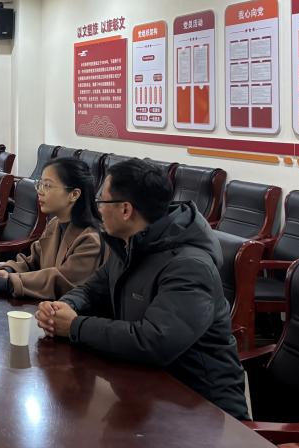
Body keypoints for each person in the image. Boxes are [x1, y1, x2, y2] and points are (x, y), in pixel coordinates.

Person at [35, 159, 248, 420]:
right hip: (147, 390)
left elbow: (154, 341)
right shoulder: (128, 244)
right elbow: (92, 289)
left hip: (204, 409)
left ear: (125, 209)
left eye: (102, 201)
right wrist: (64, 307)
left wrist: (74, 326)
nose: (98, 209)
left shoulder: (189, 266)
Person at [0, 157, 104, 299]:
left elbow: (61, 280)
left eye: (47, 186)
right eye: (40, 184)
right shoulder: (55, 224)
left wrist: (4, 283)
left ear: (74, 194)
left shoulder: (91, 239)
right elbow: (32, 261)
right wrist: (8, 270)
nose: (40, 191)